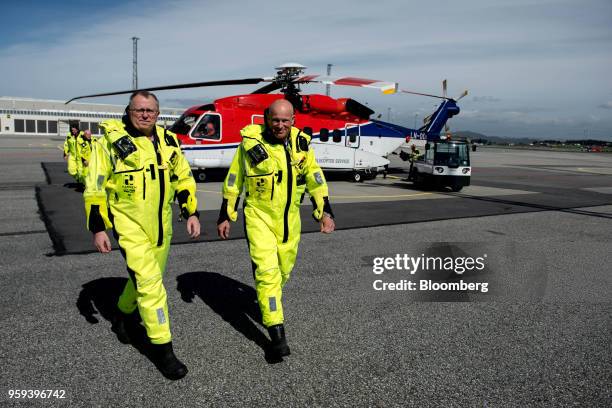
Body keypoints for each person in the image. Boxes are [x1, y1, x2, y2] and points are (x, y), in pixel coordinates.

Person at [83, 90, 201, 380]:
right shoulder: (109, 143)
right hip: (129, 226)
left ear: (158, 114)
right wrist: (99, 227)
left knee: (145, 280)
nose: (145, 115)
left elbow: (183, 178)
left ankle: (122, 315)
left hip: (162, 228)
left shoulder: (169, 141)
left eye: (150, 110)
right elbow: (95, 187)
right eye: (139, 110)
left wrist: (191, 211)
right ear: (129, 111)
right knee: (151, 285)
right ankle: (164, 350)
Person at [217, 99, 335, 359]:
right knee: (268, 274)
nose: (280, 125)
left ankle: (268, 302)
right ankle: (277, 336)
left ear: (293, 120)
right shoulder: (250, 145)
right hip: (258, 216)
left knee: (282, 272)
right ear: (266, 119)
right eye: (275, 119)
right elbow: (234, 180)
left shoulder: (301, 145)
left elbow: (315, 179)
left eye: (285, 120)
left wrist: (324, 212)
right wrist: (226, 214)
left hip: (290, 220)